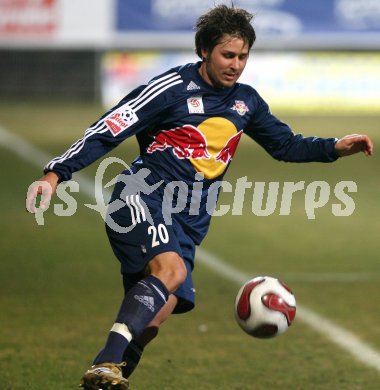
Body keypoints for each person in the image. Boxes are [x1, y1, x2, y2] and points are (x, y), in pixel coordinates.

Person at [26, 5, 373, 390]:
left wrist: (334, 147)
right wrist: (57, 173)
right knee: (170, 273)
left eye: (243, 56)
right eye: (228, 55)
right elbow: (112, 125)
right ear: (204, 51)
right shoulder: (170, 88)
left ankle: (101, 382)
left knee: (156, 317)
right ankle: (106, 363)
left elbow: (285, 145)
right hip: (141, 196)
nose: (236, 65)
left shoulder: (247, 102)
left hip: (189, 220)